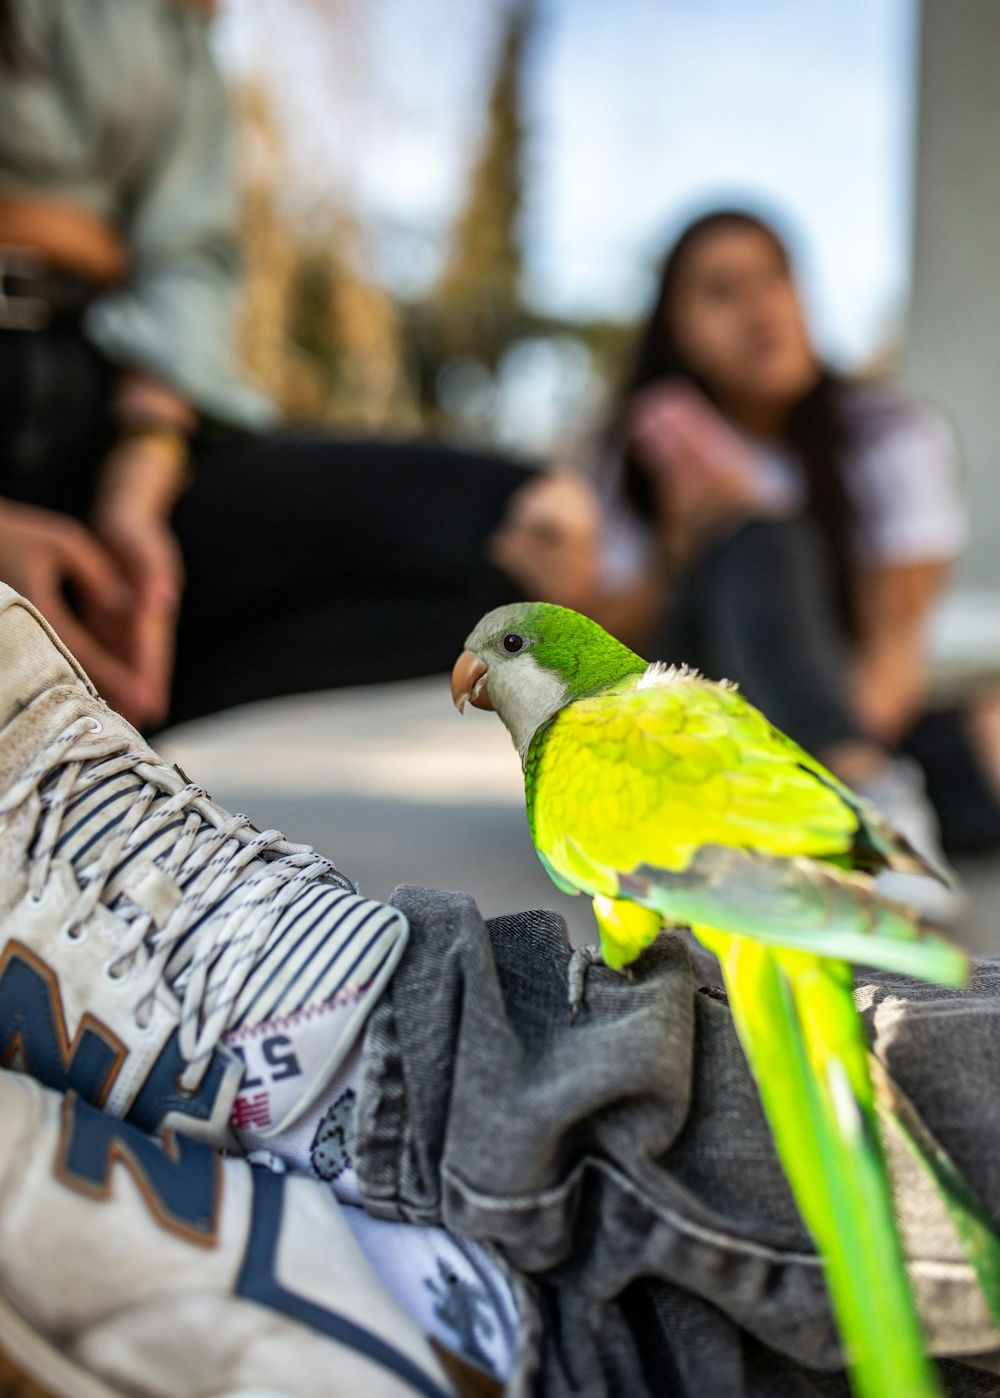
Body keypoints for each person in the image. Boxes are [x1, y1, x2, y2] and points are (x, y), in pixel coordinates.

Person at [2, 577, 1000, 1398]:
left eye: (508, 648)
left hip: (762, 913)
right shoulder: (685, 710)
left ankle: (393, 1080)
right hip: (793, 867)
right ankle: (474, 1282)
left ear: (556, 661)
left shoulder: (585, 745)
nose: (476, 672)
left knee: (717, 1043)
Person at [0, 0, 600, 732]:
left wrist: (140, 477)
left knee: (530, 535)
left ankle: (87, 743)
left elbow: (187, 241)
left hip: (100, 383)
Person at [586, 208, 1000, 859]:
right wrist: (680, 540)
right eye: (721, 291)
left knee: (990, 734)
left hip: (840, 713)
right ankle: (861, 820)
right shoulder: (634, 456)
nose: (759, 308)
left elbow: (894, 653)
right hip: (694, 727)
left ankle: (837, 801)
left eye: (773, 278)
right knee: (758, 536)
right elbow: (608, 657)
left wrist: (827, 750)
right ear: (677, 329)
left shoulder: (891, 434)